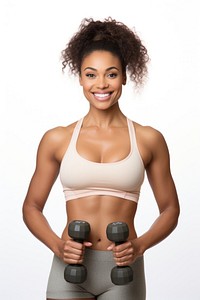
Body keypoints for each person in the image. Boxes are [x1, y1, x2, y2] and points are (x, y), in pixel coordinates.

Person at [22, 17, 180, 300]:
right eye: (91, 74)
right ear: (80, 78)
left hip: (122, 270)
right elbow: (32, 206)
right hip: (70, 267)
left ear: (125, 77)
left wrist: (140, 245)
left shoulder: (148, 139)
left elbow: (170, 209)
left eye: (111, 74)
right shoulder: (57, 138)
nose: (101, 84)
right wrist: (57, 246)